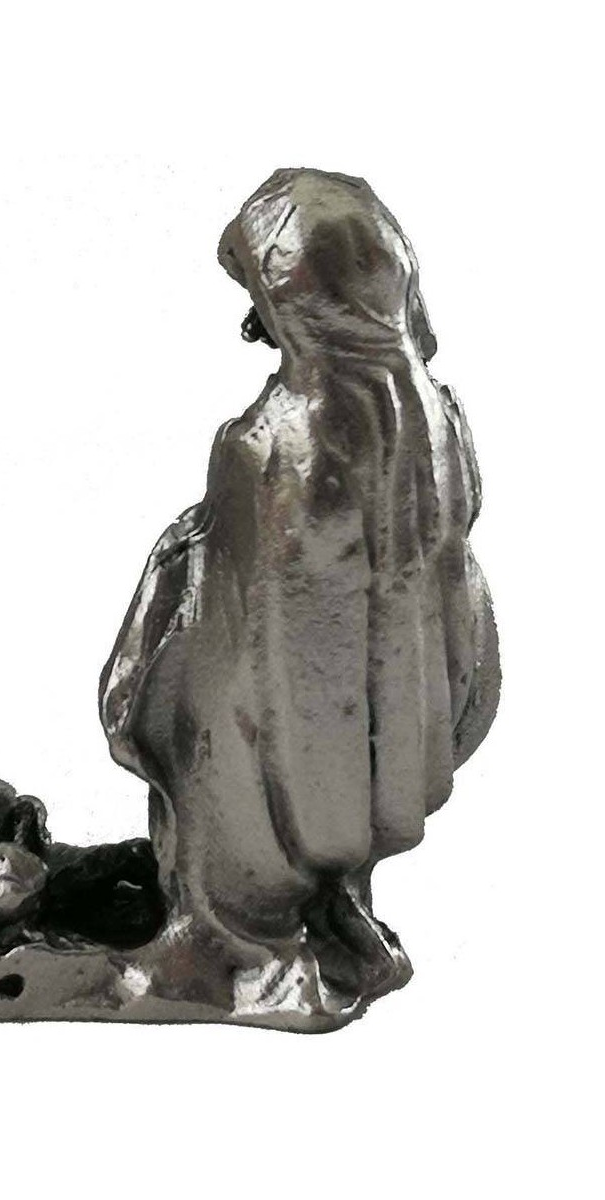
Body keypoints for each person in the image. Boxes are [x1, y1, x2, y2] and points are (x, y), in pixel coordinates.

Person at [100, 169, 500, 1007]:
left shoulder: (271, 443)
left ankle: (239, 936)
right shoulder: (435, 422)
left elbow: (232, 634)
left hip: (262, 735)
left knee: (236, 802)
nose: (252, 325)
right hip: (379, 734)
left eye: (263, 303)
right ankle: (329, 896)